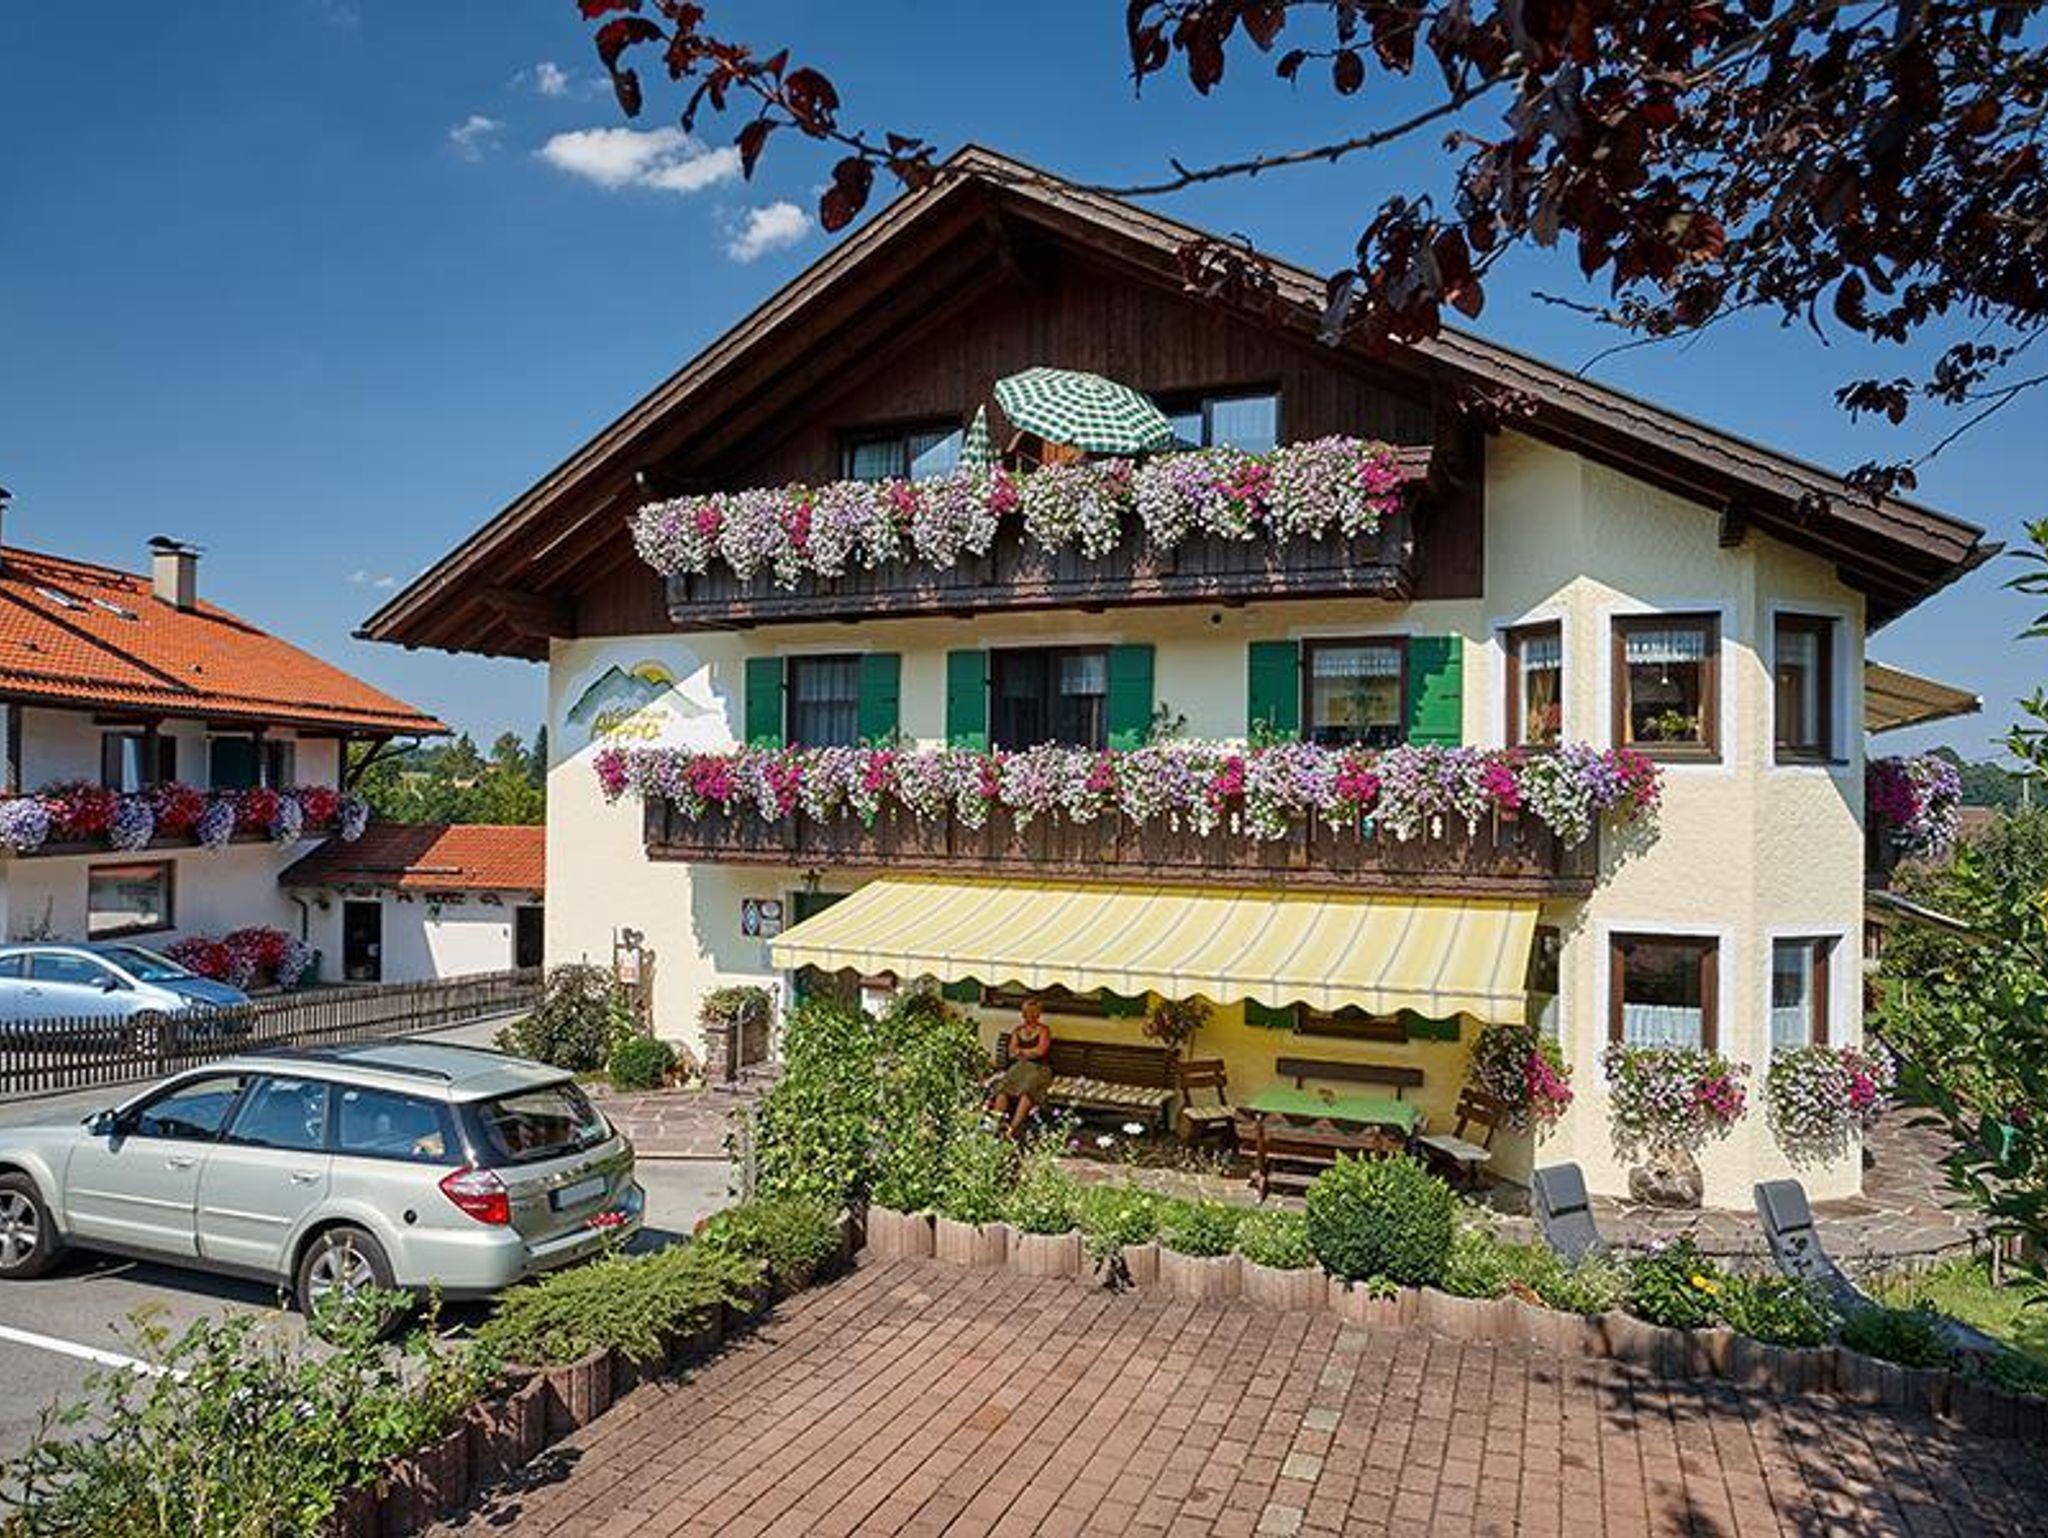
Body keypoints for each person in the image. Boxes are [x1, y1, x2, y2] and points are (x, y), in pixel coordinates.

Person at [991, 995, 1054, 1138]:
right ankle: (995, 1125)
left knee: (1028, 1092)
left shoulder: (1044, 1030)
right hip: (1019, 1067)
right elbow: (1012, 1052)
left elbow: (1040, 1051)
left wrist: (1022, 1052)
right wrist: (1027, 1053)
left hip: (1039, 1068)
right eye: (1025, 1012)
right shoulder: (1017, 1030)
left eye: (1031, 1012)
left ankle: (1013, 1129)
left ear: (1037, 1014)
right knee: (1003, 1089)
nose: (1027, 1015)